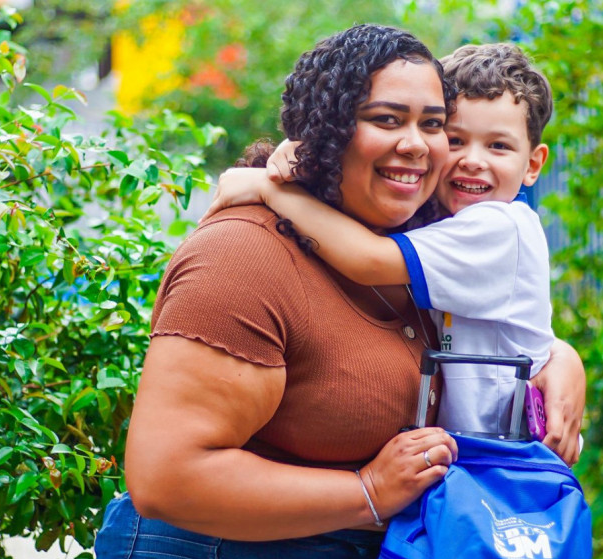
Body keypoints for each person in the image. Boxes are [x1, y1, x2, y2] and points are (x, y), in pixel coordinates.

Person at [93, 24, 586, 559]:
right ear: (328, 130)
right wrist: (366, 493)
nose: (420, 145)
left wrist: (558, 358)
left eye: (432, 124)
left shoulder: (418, 233)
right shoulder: (244, 258)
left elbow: (496, 327)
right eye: (387, 119)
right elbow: (169, 476)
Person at [206, 43, 556, 440]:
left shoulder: (497, 227)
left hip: (498, 455)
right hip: (469, 450)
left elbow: (369, 259)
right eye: (455, 140)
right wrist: (308, 153)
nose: (472, 160)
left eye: (498, 146)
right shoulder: (441, 217)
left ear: (532, 165)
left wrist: (273, 191)